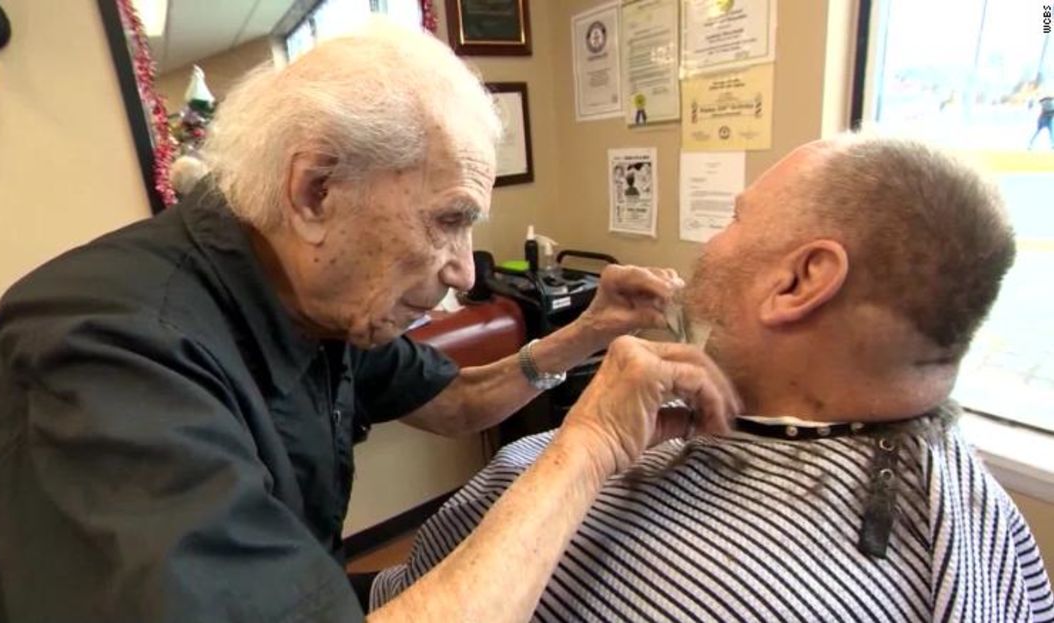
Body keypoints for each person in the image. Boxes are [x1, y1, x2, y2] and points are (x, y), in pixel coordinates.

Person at [0, 20, 741, 623]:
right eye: (449, 220)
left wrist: (587, 332)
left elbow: (457, 401)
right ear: (316, 190)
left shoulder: (309, 292)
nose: (465, 268)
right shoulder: (105, 350)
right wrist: (592, 442)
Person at [371, 135, 1054, 622]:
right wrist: (583, 334)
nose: (708, 246)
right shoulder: (982, 518)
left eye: (734, 218)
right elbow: (452, 400)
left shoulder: (722, 594)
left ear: (800, 281)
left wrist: (581, 450)